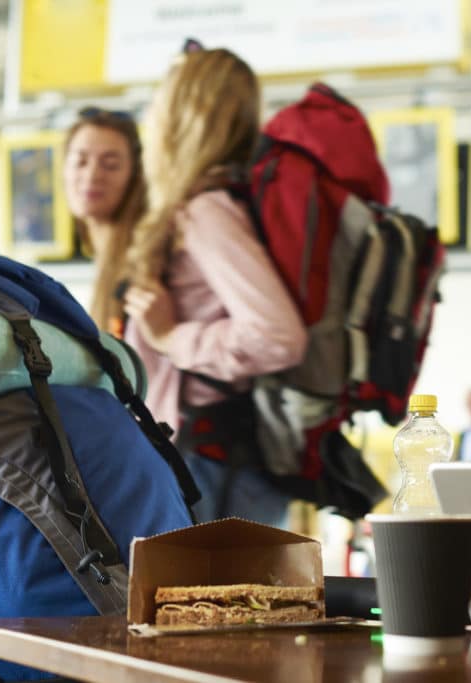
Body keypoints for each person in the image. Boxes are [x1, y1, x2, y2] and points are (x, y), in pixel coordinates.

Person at [121, 42, 307, 527]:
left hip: (215, 465)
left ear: (184, 112)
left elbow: (277, 337)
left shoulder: (208, 212)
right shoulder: (214, 202)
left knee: (223, 604)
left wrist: (170, 337)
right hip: (212, 461)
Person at [61, 107, 146, 336]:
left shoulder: (143, 259)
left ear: (135, 175)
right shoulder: (102, 254)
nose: (92, 176)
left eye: (110, 165)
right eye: (80, 161)